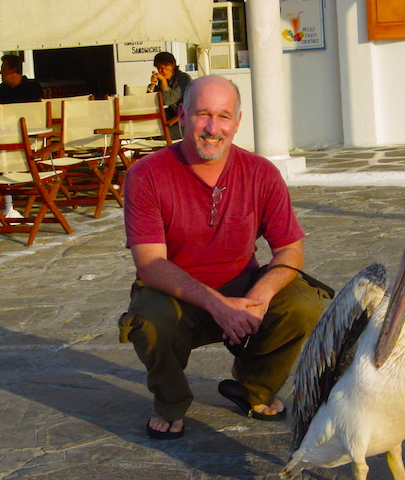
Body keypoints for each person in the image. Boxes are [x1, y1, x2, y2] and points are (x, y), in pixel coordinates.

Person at [119, 75, 330, 440]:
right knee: (149, 321)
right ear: (181, 115)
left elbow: (290, 249)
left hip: (243, 288)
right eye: (202, 114)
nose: (213, 128)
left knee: (306, 304)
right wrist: (218, 305)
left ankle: (254, 387)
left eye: (223, 116)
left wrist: (258, 300)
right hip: (176, 295)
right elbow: (150, 264)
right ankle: (170, 402)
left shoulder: (261, 173)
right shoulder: (146, 175)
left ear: (238, 122)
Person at [147, 51, 192, 140]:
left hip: (185, 122)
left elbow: (168, 100)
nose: (163, 70)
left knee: (159, 136)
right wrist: (152, 85)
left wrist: (163, 81)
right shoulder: (163, 81)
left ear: (174, 65)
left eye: (166, 66)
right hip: (169, 120)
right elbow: (149, 101)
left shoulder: (183, 79)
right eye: (160, 67)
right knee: (146, 132)